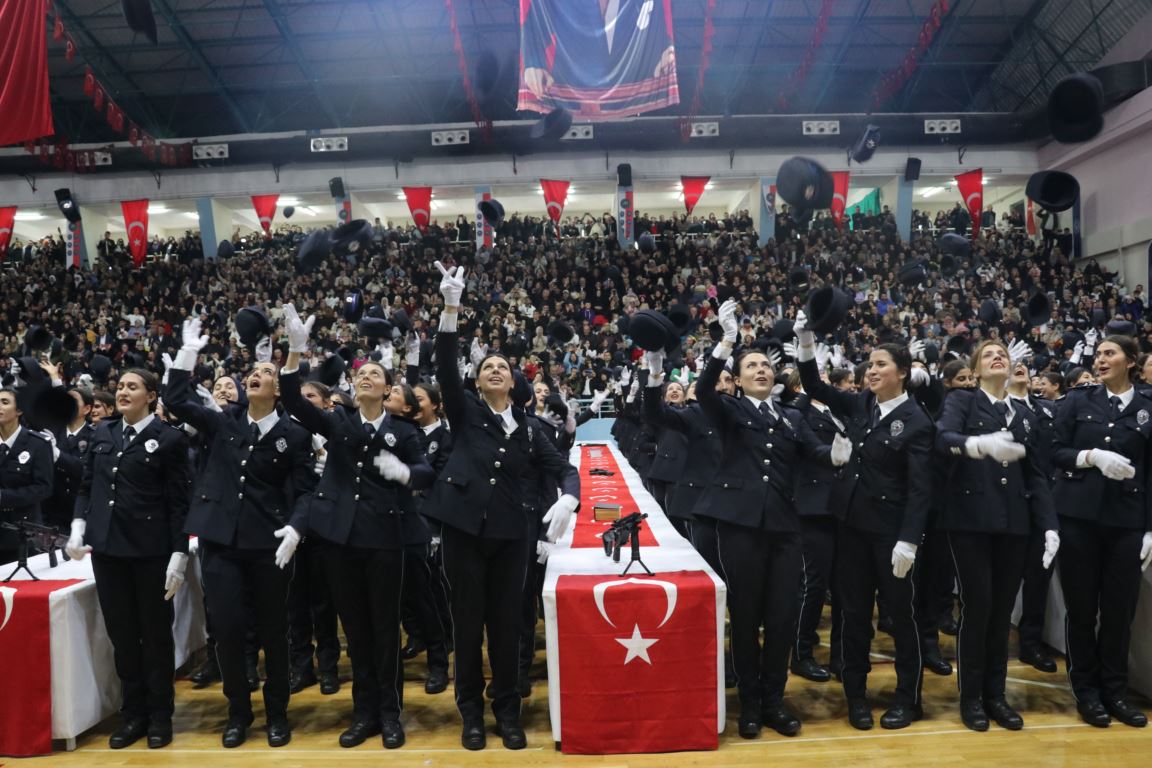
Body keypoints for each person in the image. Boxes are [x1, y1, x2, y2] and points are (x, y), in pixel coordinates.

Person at [423, 261, 579, 751]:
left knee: (510, 629)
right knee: (467, 628)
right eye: (487, 366)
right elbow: (446, 369)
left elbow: (564, 468)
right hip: (465, 535)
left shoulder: (533, 428)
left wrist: (571, 495)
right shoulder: (465, 412)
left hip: (514, 539)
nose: (495, 369)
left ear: (514, 382)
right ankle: (471, 712)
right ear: (477, 380)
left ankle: (507, 710)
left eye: (503, 367)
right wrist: (451, 309)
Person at [279, 304, 434, 750]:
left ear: (388, 390)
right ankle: (363, 713)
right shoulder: (337, 421)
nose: (365, 377)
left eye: (375, 375)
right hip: (340, 540)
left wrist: (406, 475)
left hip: (386, 540)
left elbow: (425, 471)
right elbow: (292, 399)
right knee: (356, 630)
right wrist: (295, 352)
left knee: (385, 630)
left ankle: (389, 714)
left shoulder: (403, 432)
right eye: (360, 374)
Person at [695, 299, 851, 739]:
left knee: (782, 615)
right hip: (741, 526)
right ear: (739, 378)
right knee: (746, 616)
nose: (762, 371)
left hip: (784, 527)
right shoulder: (730, 410)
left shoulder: (790, 417)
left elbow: (814, 452)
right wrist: (727, 342)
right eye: (752, 366)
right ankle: (749, 703)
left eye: (766, 365)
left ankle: (773, 700)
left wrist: (836, 456)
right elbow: (706, 390)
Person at [164, 316, 317, 749]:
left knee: (274, 631)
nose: (257, 373)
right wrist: (187, 354)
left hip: (270, 546)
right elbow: (175, 397)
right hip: (222, 544)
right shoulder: (223, 420)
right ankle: (238, 711)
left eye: (268, 372)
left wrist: (296, 527)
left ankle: (277, 712)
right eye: (254, 370)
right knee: (228, 630)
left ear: (280, 389)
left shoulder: (295, 434)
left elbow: (306, 491)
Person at [797, 316, 935, 731]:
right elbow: (817, 387)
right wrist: (806, 340)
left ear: (903, 373)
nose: (871, 370)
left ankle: (908, 699)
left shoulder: (917, 421)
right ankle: (856, 696)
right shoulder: (862, 404)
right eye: (869, 365)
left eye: (880, 365)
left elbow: (920, 489)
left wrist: (909, 541)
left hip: (892, 536)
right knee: (853, 615)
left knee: (901, 618)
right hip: (852, 530)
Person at [934, 340, 1059, 731]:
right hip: (970, 520)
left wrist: (1050, 523)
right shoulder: (963, 402)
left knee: (1003, 612)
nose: (998, 357)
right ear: (974, 369)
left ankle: (997, 695)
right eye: (988, 354)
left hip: (1014, 523)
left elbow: (1035, 474)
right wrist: (973, 445)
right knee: (978, 608)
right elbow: (942, 438)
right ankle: (972, 698)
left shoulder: (1024, 414)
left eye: (1002, 353)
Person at [64, 369, 191, 749]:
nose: (122, 391)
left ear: (151, 396)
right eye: (119, 386)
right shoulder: (103, 433)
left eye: (132, 387)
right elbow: (87, 486)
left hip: (150, 551)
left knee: (154, 636)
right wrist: (77, 524)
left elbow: (179, 503)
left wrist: (179, 553)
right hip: (108, 550)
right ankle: (132, 712)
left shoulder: (169, 439)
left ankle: (159, 715)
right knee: (122, 636)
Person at [1051, 334, 1152, 728]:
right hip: (1078, 519)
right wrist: (1090, 456)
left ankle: (1115, 691)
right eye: (1098, 354)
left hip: (1126, 522)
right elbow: (1054, 450)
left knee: (1118, 613)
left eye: (1110, 353)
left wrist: (1150, 527)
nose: (1101, 359)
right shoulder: (1077, 400)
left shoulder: (1147, 407)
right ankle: (1087, 692)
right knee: (1081, 610)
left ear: (1130, 360)